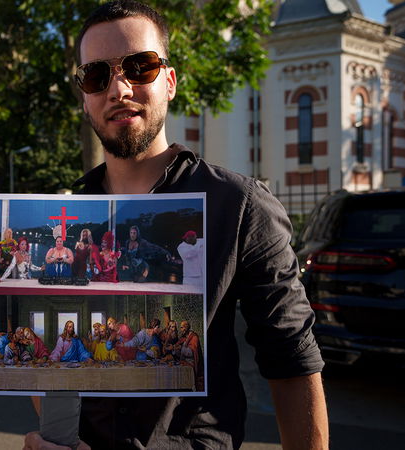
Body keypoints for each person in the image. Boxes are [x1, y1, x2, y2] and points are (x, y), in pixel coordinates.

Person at [25, 2, 326, 448]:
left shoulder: (240, 205)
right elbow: (53, 371)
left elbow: (292, 361)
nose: (119, 88)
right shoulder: (64, 219)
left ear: (169, 80)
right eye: (96, 76)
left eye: (138, 67)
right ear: (85, 96)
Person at [173, 320, 203, 387]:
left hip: (191, 363)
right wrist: (175, 348)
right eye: (180, 328)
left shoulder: (194, 337)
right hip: (183, 362)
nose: (181, 330)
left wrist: (180, 348)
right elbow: (179, 354)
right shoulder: (183, 337)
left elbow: (192, 353)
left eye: (182, 327)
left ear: (186, 327)